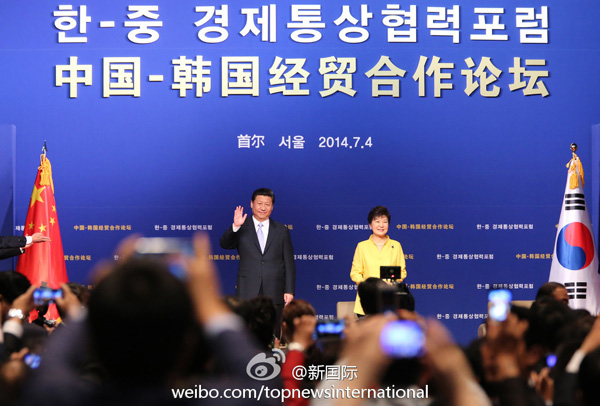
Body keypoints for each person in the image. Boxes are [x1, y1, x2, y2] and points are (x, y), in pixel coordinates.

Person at [220, 188, 296, 337]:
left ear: (272, 207)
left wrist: (289, 290)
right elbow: (225, 244)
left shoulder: (281, 230)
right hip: (248, 287)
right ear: (251, 204)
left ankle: (272, 351)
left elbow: (289, 262)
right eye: (259, 203)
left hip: (274, 288)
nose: (263, 207)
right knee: (246, 329)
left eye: (267, 204)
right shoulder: (242, 227)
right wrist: (235, 226)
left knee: (273, 330)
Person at [350, 206, 406, 316]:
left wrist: (388, 284)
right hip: (366, 302)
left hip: (389, 300)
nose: (381, 225)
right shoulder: (362, 246)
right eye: (377, 221)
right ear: (370, 225)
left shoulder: (396, 245)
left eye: (385, 222)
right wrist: (369, 287)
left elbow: (402, 272)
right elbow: (355, 273)